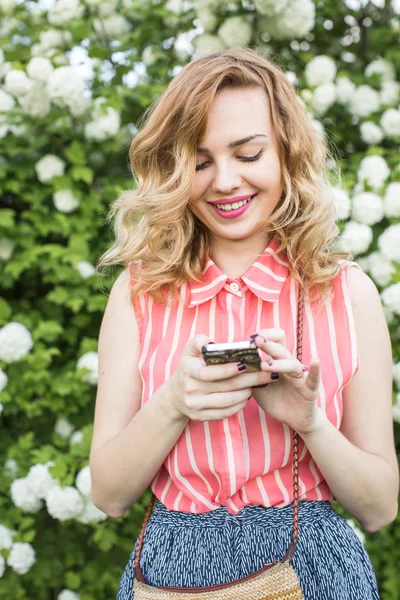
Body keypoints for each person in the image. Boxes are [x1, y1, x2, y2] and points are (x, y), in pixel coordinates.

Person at [90, 48, 399, 600]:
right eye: (200, 160)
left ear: (286, 153)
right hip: (169, 575)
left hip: (314, 573)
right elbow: (109, 494)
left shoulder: (347, 294)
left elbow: (379, 507)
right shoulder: (138, 294)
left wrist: (311, 423)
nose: (225, 181)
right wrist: (173, 403)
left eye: (248, 153)